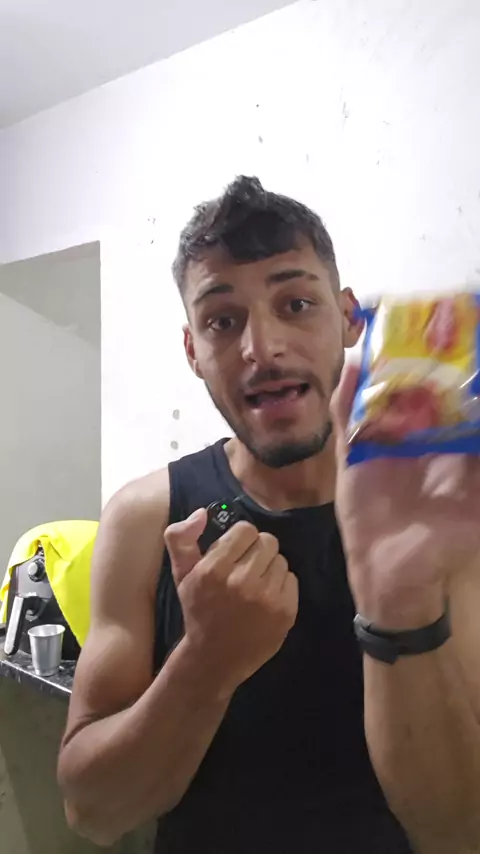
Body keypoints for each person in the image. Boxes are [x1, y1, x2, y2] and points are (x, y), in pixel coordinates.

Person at [58, 176, 480, 854]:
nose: (263, 347)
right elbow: (93, 812)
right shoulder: (145, 519)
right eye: (222, 320)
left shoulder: (437, 522)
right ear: (193, 350)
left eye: (297, 304)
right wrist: (204, 662)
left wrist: (402, 603)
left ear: (349, 318)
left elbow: (460, 832)